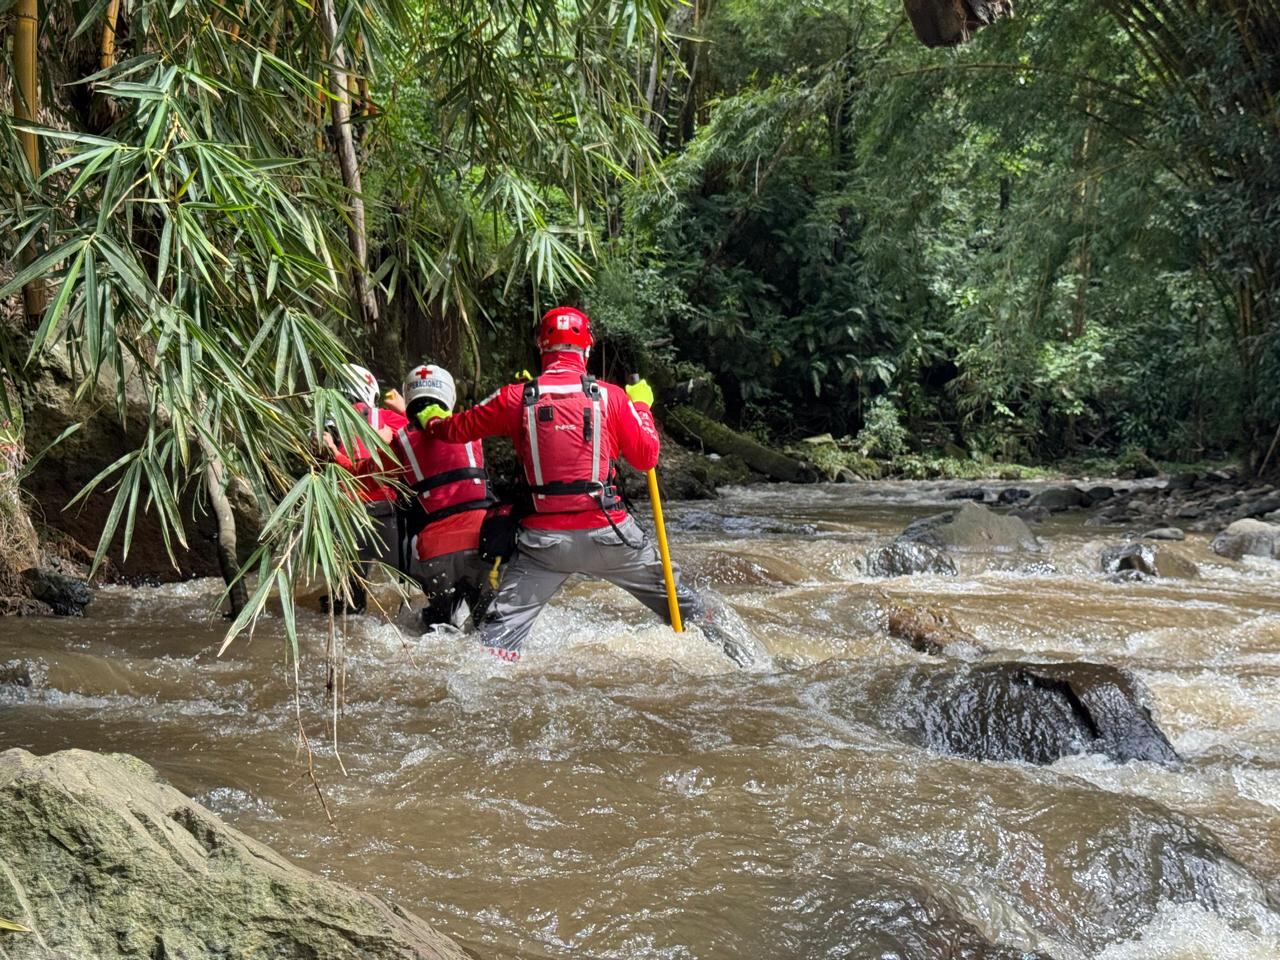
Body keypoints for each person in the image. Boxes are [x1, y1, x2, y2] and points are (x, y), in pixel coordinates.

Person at [424, 305, 709, 661]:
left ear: (541, 349)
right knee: (687, 606)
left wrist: (432, 420)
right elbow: (647, 456)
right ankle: (735, 652)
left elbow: (456, 429)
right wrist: (641, 407)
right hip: (611, 536)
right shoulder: (612, 397)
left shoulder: (514, 397)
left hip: (544, 547)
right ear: (587, 351)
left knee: (492, 648)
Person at [390, 363, 496, 629]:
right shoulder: (473, 430)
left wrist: (335, 455)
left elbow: (369, 471)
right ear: (449, 395)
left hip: (434, 554)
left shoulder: (398, 442)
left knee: (440, 623)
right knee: (486, 625)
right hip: (481, 544)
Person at [323, 363, 408, 614]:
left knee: (349, 604)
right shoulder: (389, 419)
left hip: (346, 516)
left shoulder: (327, 429)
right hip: (387, 511)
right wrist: (405, 411)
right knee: (415, 580)